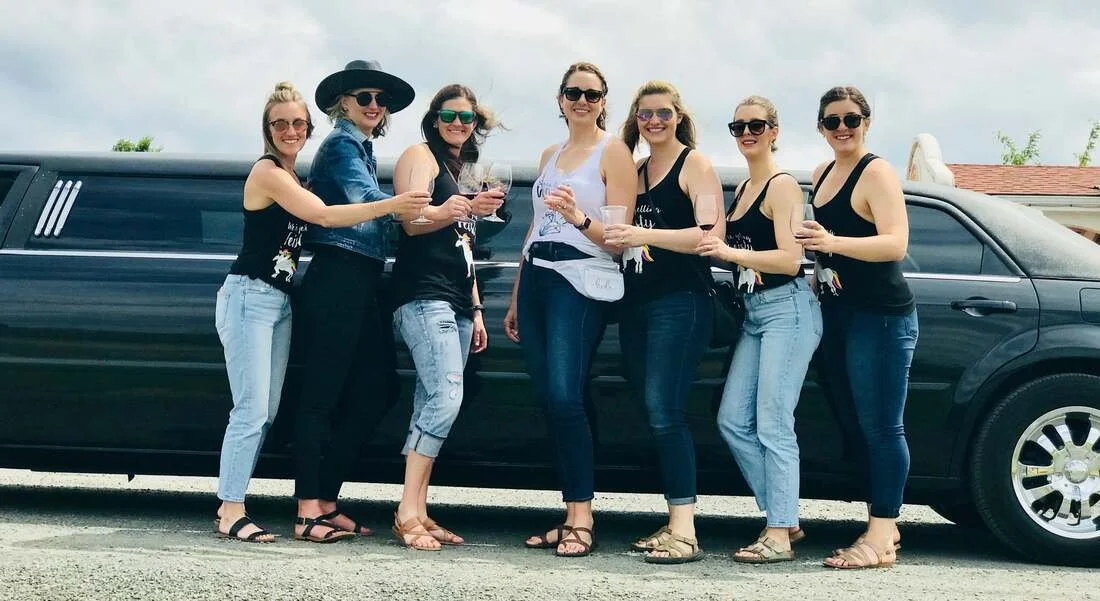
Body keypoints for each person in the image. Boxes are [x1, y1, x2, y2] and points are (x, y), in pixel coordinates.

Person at [213, 81, 428, 543]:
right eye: (280, 124)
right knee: (255, 409)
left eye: (297, 123)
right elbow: (329, 215)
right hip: (251, 294)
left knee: (271, 409)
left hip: (280, 297)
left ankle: (317, 503)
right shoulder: (271, 172)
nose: (290, 131)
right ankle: (235, 510)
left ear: (308, 127)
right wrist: (401, 205)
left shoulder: (297, 177)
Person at [290, 60, 432, 543]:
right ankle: (307, 510)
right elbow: (363, 198)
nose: (375, 106)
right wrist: (416, 205)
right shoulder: (341, 146)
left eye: (381, 99)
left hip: (363, 279)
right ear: (342, 103)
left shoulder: (362, 148)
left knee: (377, 389)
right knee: (320, 394)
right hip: (336, 275)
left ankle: (326, 499)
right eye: (365, 97)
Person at [505, 61, 637, 558]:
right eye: (573, 92)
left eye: (592, 94)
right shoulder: (550, 154)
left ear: (604, 101)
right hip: (537, 276)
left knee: (565, 396)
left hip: (579, 279)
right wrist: (517, 294)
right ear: (560, 99)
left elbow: (619, 239)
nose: (582, 101)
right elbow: (533, 228)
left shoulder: (614, 152)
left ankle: (582, 517)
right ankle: (569, 513)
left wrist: (578, 216)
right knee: (549, 398)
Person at [796, 86, 918, 569]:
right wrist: (816, 265)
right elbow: (825, 247)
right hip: (837, 314)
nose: (842, 128)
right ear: (821, 128)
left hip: (881, 315)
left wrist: (832, 242)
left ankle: (881, 537)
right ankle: (883, 526)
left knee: (883, 427)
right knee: (855, 425)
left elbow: (895, 243)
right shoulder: (821, 173)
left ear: (867, 122)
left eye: (851, 119)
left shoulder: (877, 172)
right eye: (832, 121)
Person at [696, 95, 822, 564]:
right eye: (738, 126)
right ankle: (785, 517)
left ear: (774, 131)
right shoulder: (745, 188)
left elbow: (791, 259)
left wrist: (729, 253)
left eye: (756, 125)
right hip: (754, 314)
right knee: (732, 421)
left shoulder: (782, 186)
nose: (747, 133)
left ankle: (779, 533)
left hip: (788, 310)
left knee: (773, 422)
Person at [601, 81, 722, 564]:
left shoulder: (695, 164)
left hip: (681, 302)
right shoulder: (635, 170)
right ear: (636, 120)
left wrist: (641, 233)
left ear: (679, 117)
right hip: (636, 304)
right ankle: (673, 520)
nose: (654, 121)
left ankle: (685, 530)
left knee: (665, 409)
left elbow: (710, 236)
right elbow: (620, 236)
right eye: (645, 114)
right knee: (652, 410)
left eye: (664, 113)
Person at [388, 84, 505, 550]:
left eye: (467, 118)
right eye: (450, 115)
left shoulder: (463, 172)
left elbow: (465, 248)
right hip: (423, 295)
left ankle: (417, 509)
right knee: (445, 398)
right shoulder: (420, 156)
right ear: (434, 118)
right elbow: (410, 220)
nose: (458, 124)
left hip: (457, 301)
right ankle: (406, 511)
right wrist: (451, 209)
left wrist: (476, 309)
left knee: (430, 401)